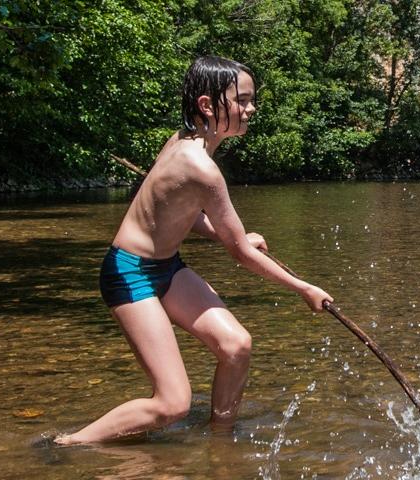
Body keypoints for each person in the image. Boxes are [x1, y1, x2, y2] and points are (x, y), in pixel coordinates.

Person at [54, 55, 332, 445]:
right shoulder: (200, 166)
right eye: (243, 100)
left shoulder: (187, 141)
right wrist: (304, 288)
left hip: (166, 267)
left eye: (253, 100)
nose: (251, 109)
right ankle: (68, 444)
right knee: (172, 405)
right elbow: (241, 255)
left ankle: (221, 440)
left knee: (236, 346)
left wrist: (228, 235)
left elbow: (181, 211)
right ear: (207, 105)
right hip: (129, 272)